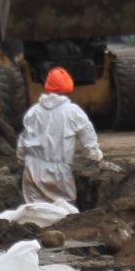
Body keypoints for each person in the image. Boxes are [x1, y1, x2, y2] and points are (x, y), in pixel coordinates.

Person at [16, 67, 104, 205]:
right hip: (59, 174)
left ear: (47, 88)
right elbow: (89, 139)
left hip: (32, 169)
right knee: (64, 211)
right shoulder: (74, 112)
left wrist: (21, 159)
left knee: (35, 208)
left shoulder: (33, 111)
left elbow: (24, 140)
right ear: (69, 90)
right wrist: (97, 158)